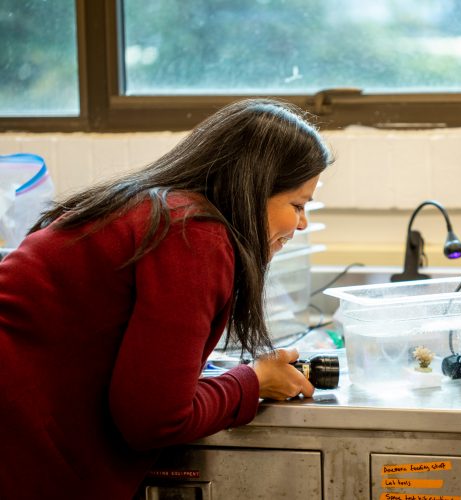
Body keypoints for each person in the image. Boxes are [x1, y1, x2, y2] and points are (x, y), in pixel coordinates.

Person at [0, 98, 331, 498]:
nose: (302, 223)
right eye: (296, 205)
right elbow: (154, 420)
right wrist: (254, 381)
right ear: (251, 187)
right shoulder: (194, 234)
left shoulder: (156, 209)